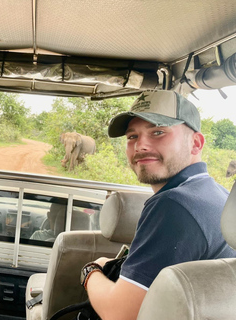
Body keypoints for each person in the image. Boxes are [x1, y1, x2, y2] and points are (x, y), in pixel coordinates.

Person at [80, 90, 236, 320]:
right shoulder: (215, 194)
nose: (140, 146)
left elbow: (119, 314)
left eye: (158, 132)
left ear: (195, 143)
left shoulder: (173, 205)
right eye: (132, 137)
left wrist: (90, 270)